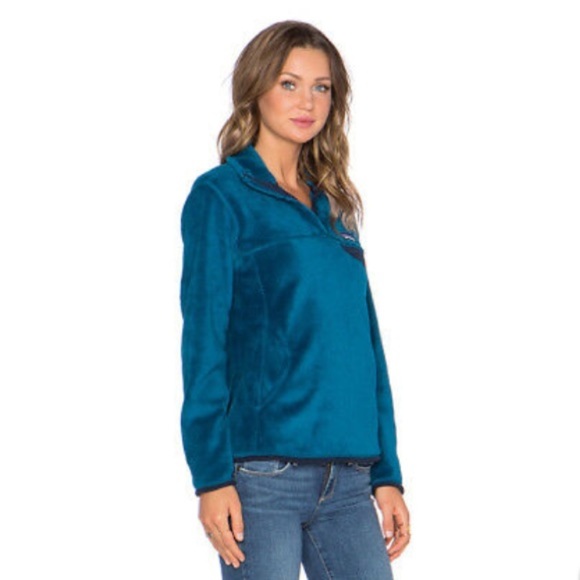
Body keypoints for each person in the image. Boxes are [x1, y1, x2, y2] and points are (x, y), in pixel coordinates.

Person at [179, 19, 411, 580]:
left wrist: (387, 474)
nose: (307, 101)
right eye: (289, 83)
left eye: (321, 87)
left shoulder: (334, 209)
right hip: (264, 478)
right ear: (255, 88)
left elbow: (366, 348)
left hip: (350, 478)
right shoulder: (222, 196)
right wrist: (211, 478)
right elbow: (204, 344)